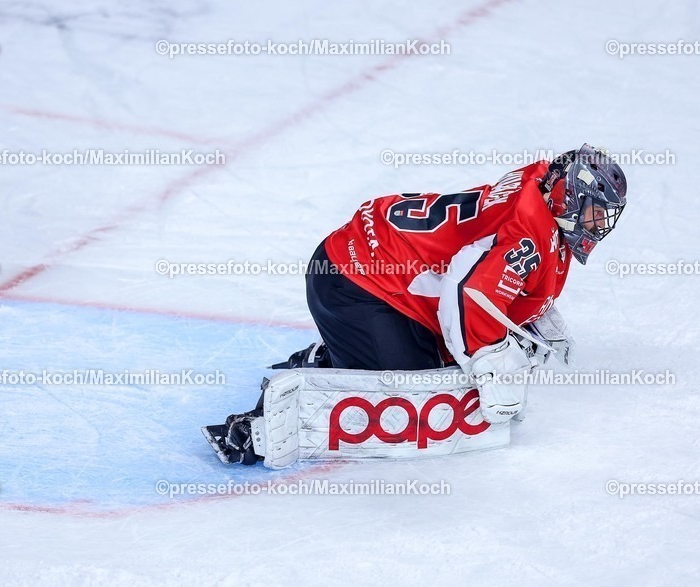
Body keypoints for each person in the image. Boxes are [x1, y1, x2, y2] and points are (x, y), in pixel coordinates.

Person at [205, 144, 628, 465]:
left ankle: (337, 352)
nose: (598, 225)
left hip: (369, 267)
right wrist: (493, 365)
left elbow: (499, 267)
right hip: (355, 281)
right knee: (413, 395)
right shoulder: (529, 229)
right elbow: (469, 293)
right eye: (594, 212)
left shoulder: (540, 185)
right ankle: (258, 428)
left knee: (443, 359)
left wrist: (536, 316)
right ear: (567, 194)